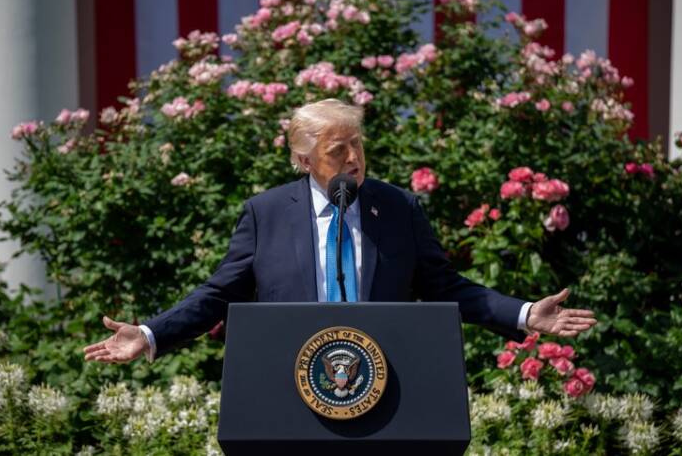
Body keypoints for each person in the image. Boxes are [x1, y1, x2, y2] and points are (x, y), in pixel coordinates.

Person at [83, 99, 597, 364]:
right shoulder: (266, 214)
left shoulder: (397, 208)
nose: (354, 159)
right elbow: (218, 294)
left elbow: (446, 287)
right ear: (304, 159)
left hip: (384, 383)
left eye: (358, 146)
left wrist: (525, 314)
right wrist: (150, 333)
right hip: (291, 387)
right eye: (337, 150)